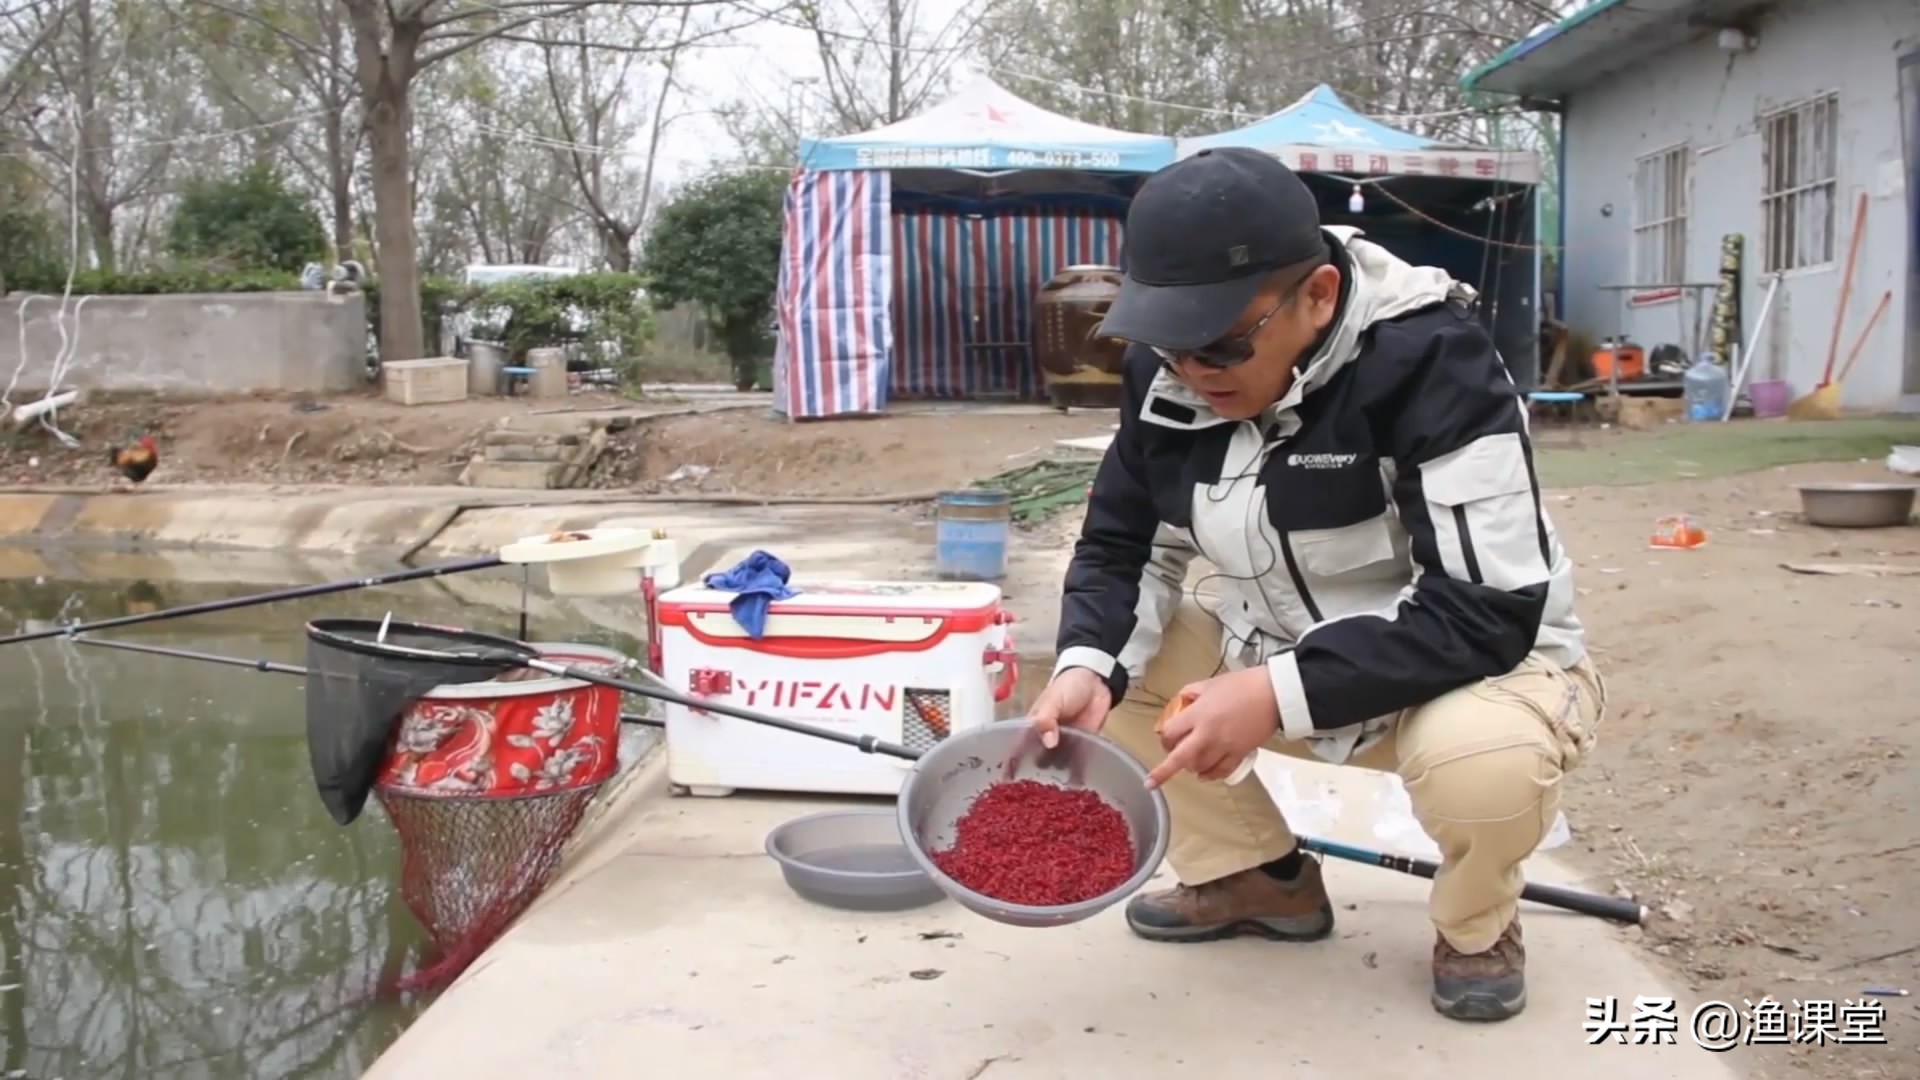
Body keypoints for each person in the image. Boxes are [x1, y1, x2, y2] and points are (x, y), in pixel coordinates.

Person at [1026, 147, 1606, 1023]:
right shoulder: (1166, 375)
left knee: (1483, 763)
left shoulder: (1431, 358)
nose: (1194, 371)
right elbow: (1121, 547)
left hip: (1472, 667)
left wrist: (1274, 693)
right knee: (1109, 672)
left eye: (1223, 342)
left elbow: (1486, 609)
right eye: (1169, 344)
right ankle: (1255, 879)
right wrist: (1085, 667)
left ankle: (1476, 926)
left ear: (1321, 296)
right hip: (1290, 652)